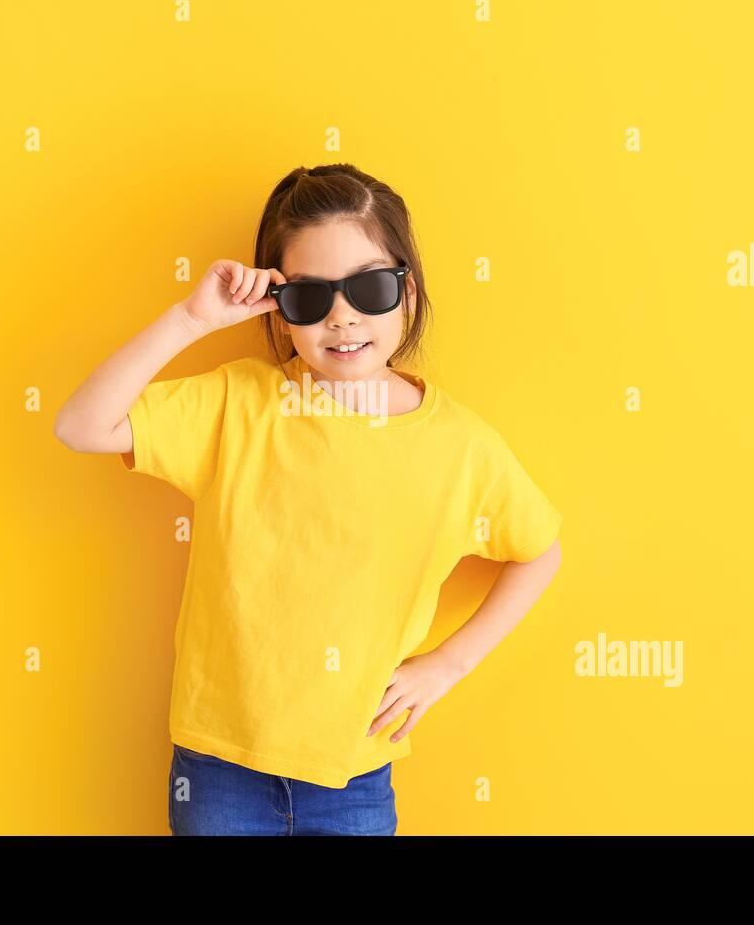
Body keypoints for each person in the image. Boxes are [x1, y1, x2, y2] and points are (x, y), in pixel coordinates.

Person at [55, 163, 564, 835]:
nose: (342, 316)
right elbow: (80, 426)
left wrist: (448, 663)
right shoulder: (239, 403)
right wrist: (190, 319)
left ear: (407, 289)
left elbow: (539, 551)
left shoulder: (460, 446)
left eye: (370, 287)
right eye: (309, 297)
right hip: (216, 765)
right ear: (277, 303)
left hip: (352, 773)